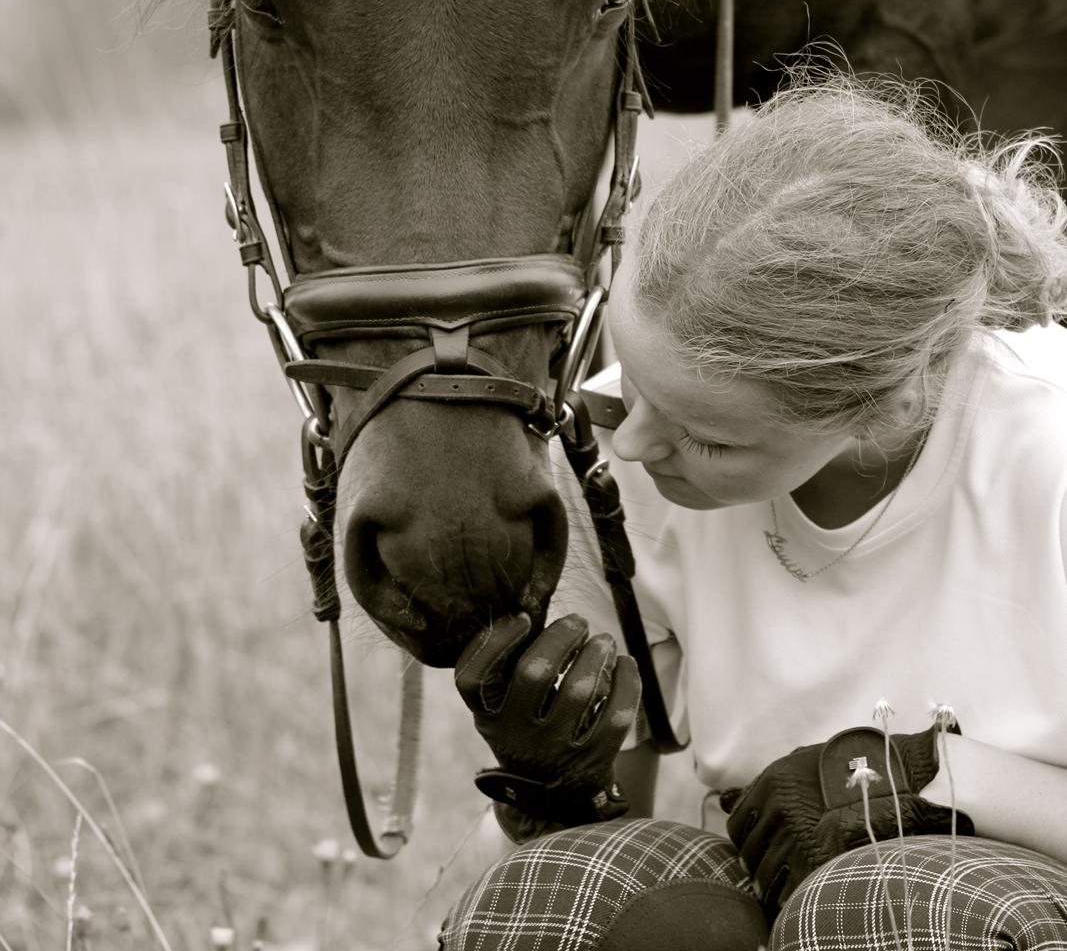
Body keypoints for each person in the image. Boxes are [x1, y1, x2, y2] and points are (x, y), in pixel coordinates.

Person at [439, 72, 1067, 950]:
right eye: (635, 386)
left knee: (878, 906)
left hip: (985, 899)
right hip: (753, 886)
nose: (631, 445)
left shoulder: (1047, 452)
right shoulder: (613, 456)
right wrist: (545, 796)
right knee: (560, 892)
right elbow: (560, 854)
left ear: (884, 406)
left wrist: (943, 776)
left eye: (709, 438)